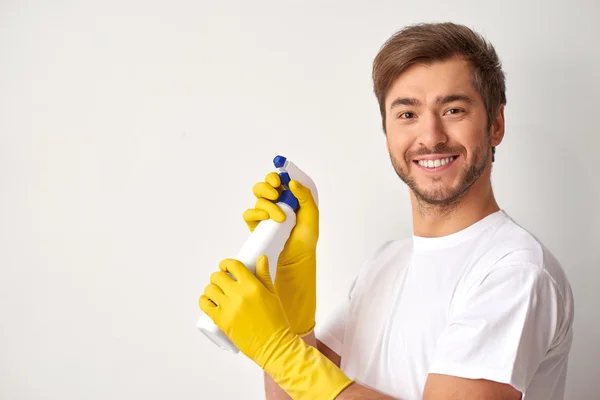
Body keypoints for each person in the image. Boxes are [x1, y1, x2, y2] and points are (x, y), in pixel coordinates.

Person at [199, 22, 574, 399]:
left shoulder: (515, 270)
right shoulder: (386, 263)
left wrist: (279, 351)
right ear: (387, 133)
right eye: (407, 115)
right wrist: (292, 283)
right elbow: (299, 393)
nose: (430, 137)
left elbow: (302, 374)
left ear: (495, 125)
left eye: (453, 110)